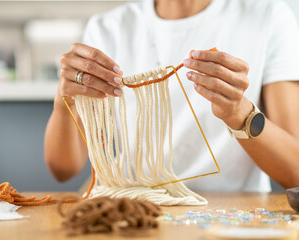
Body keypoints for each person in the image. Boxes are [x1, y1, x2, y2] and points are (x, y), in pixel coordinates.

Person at [44, 0, 299, 192]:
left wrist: (239, 114)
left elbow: (295, 171)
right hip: (134, 212)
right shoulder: (108, 29)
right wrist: (63, 99)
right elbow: (63, 170)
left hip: (231, 216)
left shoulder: (269, 17)